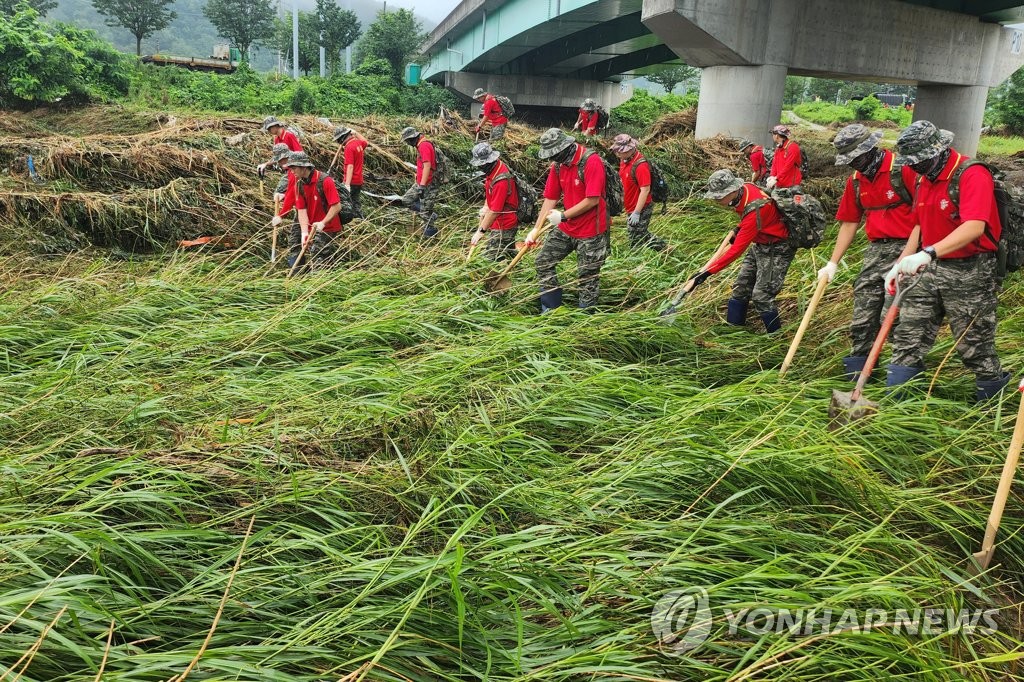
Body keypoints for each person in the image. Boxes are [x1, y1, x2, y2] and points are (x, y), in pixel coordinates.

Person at [884, 120, 1009, 401]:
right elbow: (918, 225)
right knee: (908, 334)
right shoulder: (922, 179)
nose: (914, 168)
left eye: (919, 162)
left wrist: (927, 253)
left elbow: (974, 225)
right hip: (930, 268)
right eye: (911, 164)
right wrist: (900, 264)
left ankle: (991, 406)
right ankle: (898, 405)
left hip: (970, 270)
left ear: (939, 151)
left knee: (974, 343)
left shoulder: (971, 173)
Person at [818, 124, 917, 381]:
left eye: (857, 158)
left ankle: (901, 378)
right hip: (876, 250)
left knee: (893, 315)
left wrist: (910, 257)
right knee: (863, 313)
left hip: (910, 247)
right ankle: (859, 374)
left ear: (871, 149)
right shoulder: (856, 181)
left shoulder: (902, 169)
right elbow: (850, 222)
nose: (855, 165)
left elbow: (925, 216)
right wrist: (833, 263)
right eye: (850, 160)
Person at [686, 169, 794, 333]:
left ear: (733, 190)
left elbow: (736, 250)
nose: (717, 200)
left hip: (778, 247)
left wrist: (707, 273)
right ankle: (734, 331)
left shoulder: (756, 208)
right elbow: (748, 217)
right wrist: (739, 229)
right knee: (741, 287)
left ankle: (776, 337)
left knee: (761, 296)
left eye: (719, 196)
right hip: (760, 241)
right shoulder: (746, 189)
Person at [525, 128, 608, 312]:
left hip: (591, 231)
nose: (554, 158)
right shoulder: (558, 165)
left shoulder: (591, 161)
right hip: (568, 227)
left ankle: (585, 318)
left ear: (566, 146)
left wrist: (562, 216)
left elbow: (592, 199)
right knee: (543, 262)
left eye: (556, 154)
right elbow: (550, 198)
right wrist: (536, 229)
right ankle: (551, 310)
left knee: (587, 276)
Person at [284, 151, 344, 268]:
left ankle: (319, 279)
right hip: (313, 226)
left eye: (294, 168)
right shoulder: (299, 184)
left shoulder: (325, 180)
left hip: (328, 225)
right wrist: (304, 233)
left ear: (304, 167)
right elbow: (301, 210)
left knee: (317, 253)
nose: (292, 172)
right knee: (305, 247)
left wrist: (323, 223)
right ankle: (300, 274)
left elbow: (337, 206)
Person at [611, 133, 666, 251]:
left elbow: (645, 190)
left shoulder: (641, 166)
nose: (617, 154)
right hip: (630, 205)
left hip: (641, 207)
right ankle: (665, 248)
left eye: (620, 151)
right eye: (616, 151)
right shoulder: (624, 160)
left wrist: (637, 212)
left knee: (636, 237)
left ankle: (642, 257)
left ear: (631, 149)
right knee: (640, 235)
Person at [469, 142, 520, 262]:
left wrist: (480, 231)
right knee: (508, 252)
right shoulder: (494, 170)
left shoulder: (501, 180)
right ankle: (515, 267)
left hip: (505, 224)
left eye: (482, 164)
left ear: (489, 161)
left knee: (488, 259)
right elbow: (490, 195)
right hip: (499, 221)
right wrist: (485, 207)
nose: (480, 167)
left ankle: (492, 277)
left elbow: (495, 211)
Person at [399, 126, 440, 238]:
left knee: (424, 213)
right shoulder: (422, 144)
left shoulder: (424, 145)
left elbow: (427, 166)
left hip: (427, 183)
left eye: (407, 141)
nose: (407, 143)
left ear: (413, 138)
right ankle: (431, 214)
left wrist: (422, 186)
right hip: (421, 182)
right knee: (407, 200)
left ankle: (430, 236)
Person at [333, 125, 367, 218]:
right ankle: (360, 218)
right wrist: (356, 133)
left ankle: (349, 219)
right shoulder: (357, 143)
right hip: (359, 180)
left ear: (342, 137)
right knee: (355, 201)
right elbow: (365, 142)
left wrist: (347, 184)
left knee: (345, 202)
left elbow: (350, 166)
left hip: (351, 181)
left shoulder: (349, 147)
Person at [766, 124, 802, 189]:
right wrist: (772, 176)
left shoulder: (793, 147)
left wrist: (776, 178)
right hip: (780, 182)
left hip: (791, 184)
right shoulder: (779, 148)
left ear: (776, 136)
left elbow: (788, 166)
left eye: (773, 134)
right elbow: (775, 163)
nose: (772, 136)